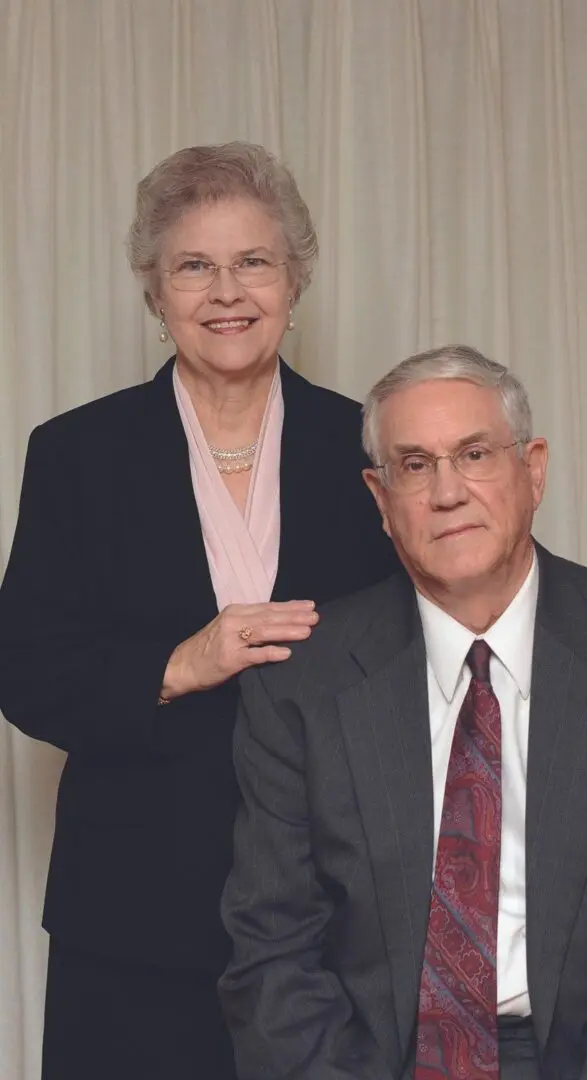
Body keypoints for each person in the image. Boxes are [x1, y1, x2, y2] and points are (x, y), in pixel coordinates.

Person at [0, 141, 398, 1080]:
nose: (227, 291)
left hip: (340, 910)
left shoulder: (372, 447)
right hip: (131, 911)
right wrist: (180, 664)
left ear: (295, 280)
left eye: (253, 262)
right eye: (194, 266)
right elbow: (24, 666)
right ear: (154, 290)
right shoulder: (75, 453)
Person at [219, 344, 587, 1080]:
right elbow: (272, 953)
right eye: (414, 466)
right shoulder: (300, 685)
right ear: (381, 501)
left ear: (533, 469)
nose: (446, 491)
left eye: (475, 453)